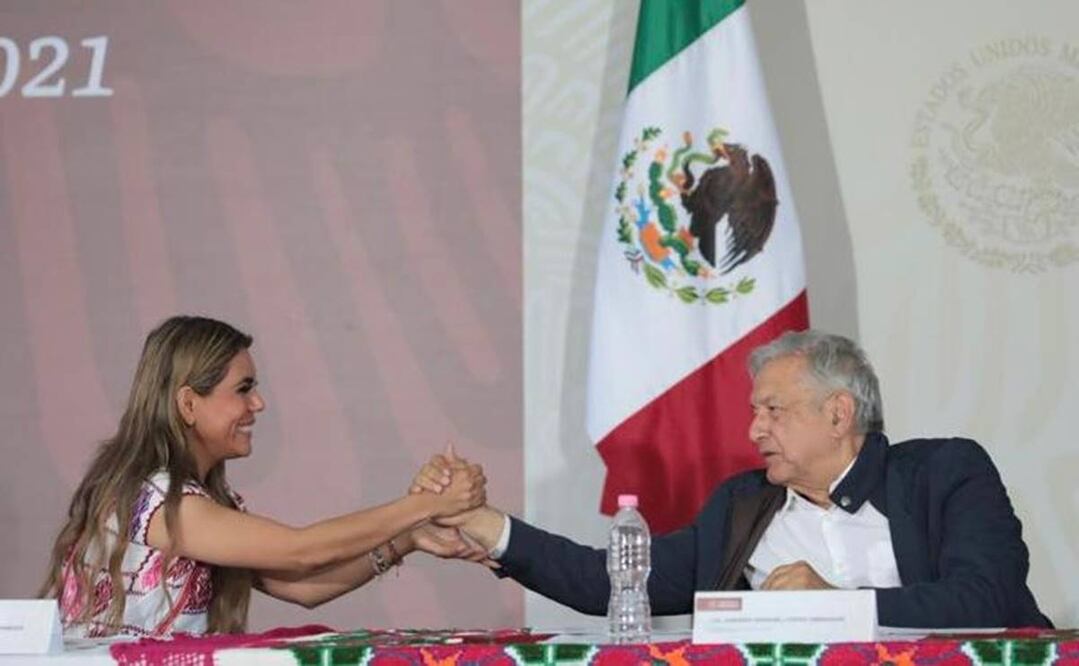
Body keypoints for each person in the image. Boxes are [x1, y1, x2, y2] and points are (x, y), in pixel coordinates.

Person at [413, 330, 1052, 628]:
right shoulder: (745, 507)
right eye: (754, 411)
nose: (753, 430)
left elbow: (986, 600)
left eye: (773, 410)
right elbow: (612, 581)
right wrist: (484, 524)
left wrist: (831, 602)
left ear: (838, 414)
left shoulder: (945, 473)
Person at [40, 315, 487, 638]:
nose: (258, 404)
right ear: (189, 404)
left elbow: (303, 586)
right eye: (244, 389)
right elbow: (302, 552)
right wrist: (426, 505)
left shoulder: (196, 502)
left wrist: (408, 538)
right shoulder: (155, 501)